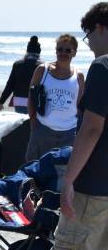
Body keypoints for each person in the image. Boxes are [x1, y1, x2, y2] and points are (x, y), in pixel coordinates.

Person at [26, 2, 108, 250]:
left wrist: (70, 180)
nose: (89, 43)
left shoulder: (103, 67)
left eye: (89, 35)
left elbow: (91, 129)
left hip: (95, 185)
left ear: (101, 28)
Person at [24, 33, 84, 162]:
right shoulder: (42, 70)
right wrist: (34, 122)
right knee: (34, 170)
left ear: (74, 53)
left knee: (63, 174)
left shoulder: (79, 76)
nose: (63, 53)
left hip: (69, 134)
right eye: (60, 49)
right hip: (43, 129)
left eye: (68, 50)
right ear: (55, 51)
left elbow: (80, 106)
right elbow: (31, 97)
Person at [0, 35, 42, 113]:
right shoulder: (42, 66)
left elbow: (10, 85)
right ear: (39, 51)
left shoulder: (17, 64)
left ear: (27, 50)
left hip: (19, 101)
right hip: (35, 102)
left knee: (22, 124)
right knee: (33, 124)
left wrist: (0, 102)